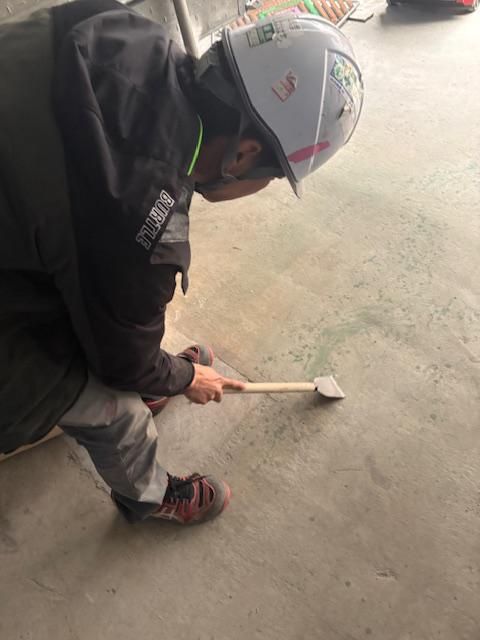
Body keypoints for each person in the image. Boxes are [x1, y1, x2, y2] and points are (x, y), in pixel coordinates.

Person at [0, 0, 363, 524]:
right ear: (244, 153)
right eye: (272, 176)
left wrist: (161, 369)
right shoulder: (145, 224)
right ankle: (147, 498)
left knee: (116, 326)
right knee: (117, 409)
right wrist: (183, 376)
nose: (263, 187)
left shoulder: (124, 31)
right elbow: (122, 359)